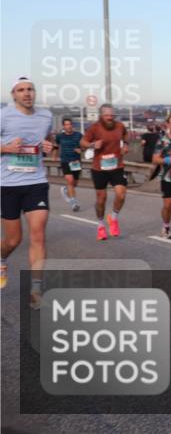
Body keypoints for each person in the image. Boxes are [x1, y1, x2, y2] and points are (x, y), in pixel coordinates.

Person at [1, 77, 54, 307]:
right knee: (13, 240)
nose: (27, 93)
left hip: (36, 181)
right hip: (8, 184)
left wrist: (50, 146)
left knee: (38, 234)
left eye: (30, 89)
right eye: (21, 90)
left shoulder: (46, 116)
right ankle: (2, 258)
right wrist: (5, 147)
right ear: (13, 95)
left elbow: (48, 140)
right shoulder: (3, 115)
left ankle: (36, 290)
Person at [80, 104, 129, 240]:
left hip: (116, 166)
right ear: (101, 116)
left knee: (121, 194)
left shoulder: (119, 126)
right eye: (107, 116)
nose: (110, 118)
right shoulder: (94, 128)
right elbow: (82, 142)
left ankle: (113, 218)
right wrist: (92, 145)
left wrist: (125, 144)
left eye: (112, 116)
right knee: (101, 199)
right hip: (99, 168)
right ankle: (100, 225)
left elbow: (126, 135)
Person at [55, 116, 83, 212]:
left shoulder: (78, 135)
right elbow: (56, 145)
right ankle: (74, 203)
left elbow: (84, 146)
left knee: (74, 183)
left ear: (72, 125)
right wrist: (55, 156)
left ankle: (66, 189)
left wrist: (80, 150)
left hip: (76, 162)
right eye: (66, 124)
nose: (69, 126)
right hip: (65, 161)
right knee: (70, 180)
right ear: (63, 126)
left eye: (70, 124)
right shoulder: (59, 136)